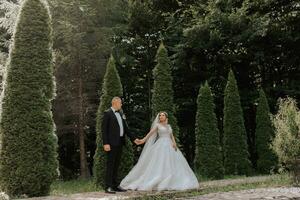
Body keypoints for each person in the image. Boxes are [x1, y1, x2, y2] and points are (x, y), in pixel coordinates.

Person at [119, 111, 199, 191]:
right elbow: (150, 134)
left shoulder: (169, 126)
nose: (161, 116)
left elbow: (171, 135)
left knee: (173, 163)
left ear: (166, 117)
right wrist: (142, 140)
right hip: (161, 144)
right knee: (160, 162)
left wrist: (174, 143)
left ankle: (172, 180)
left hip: (170, 145)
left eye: (163, 115)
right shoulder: (157, 126)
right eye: (160, 115)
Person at [102, 97, 143, 194]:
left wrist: (134, 139)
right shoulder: (107, 113)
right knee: (110, 165)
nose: (121, 104)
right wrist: (106, 143)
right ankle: (108, 187)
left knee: (116, 165)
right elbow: (104, 130)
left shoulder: (120, 114)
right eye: (120, 103)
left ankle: (115, 186)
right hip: (111, 143)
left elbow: (126, 129)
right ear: (115, 103)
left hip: (120, 142)